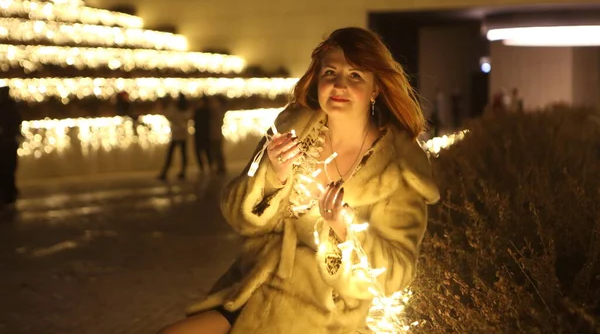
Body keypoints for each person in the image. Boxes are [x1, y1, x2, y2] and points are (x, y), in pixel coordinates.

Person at [158, 27, 440, 334]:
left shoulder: (397, 171)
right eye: (330, 71)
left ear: (375, 89)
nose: (339, 84)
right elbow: (236, 213)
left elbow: (396, 273)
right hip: (253, 287)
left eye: (355, 75)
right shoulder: (293, 127)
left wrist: (344, 233)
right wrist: (272, 176)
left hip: (325, 313)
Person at [158, 93, 191, 181]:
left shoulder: (174, 109)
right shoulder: (186, 110)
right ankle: (182, 172)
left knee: (170, 154)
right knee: (183, 154)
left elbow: (168, 115)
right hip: (183, 134)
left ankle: (165, 173)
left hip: (176, 135)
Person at [0, 86, 22, 206]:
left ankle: (8, 193)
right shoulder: (10, 108)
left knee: (7, 169)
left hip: (6, 144)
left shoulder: (6, 108)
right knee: (8, 169)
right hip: (8, 144)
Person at [207, 96, 227, 174]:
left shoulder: (217, 111)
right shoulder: (218, 110)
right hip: (216, 134)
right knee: (216, 151)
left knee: (217, 151)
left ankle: (220, 167)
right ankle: (220, 167)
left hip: (216, 134)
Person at [193, 97, 211, 173]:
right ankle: (203, 167)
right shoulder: (199, 111)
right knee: (202, 151)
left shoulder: (204, 111)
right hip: (201, 134)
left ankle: (207, 166)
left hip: (203, 134)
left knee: (206, 151)